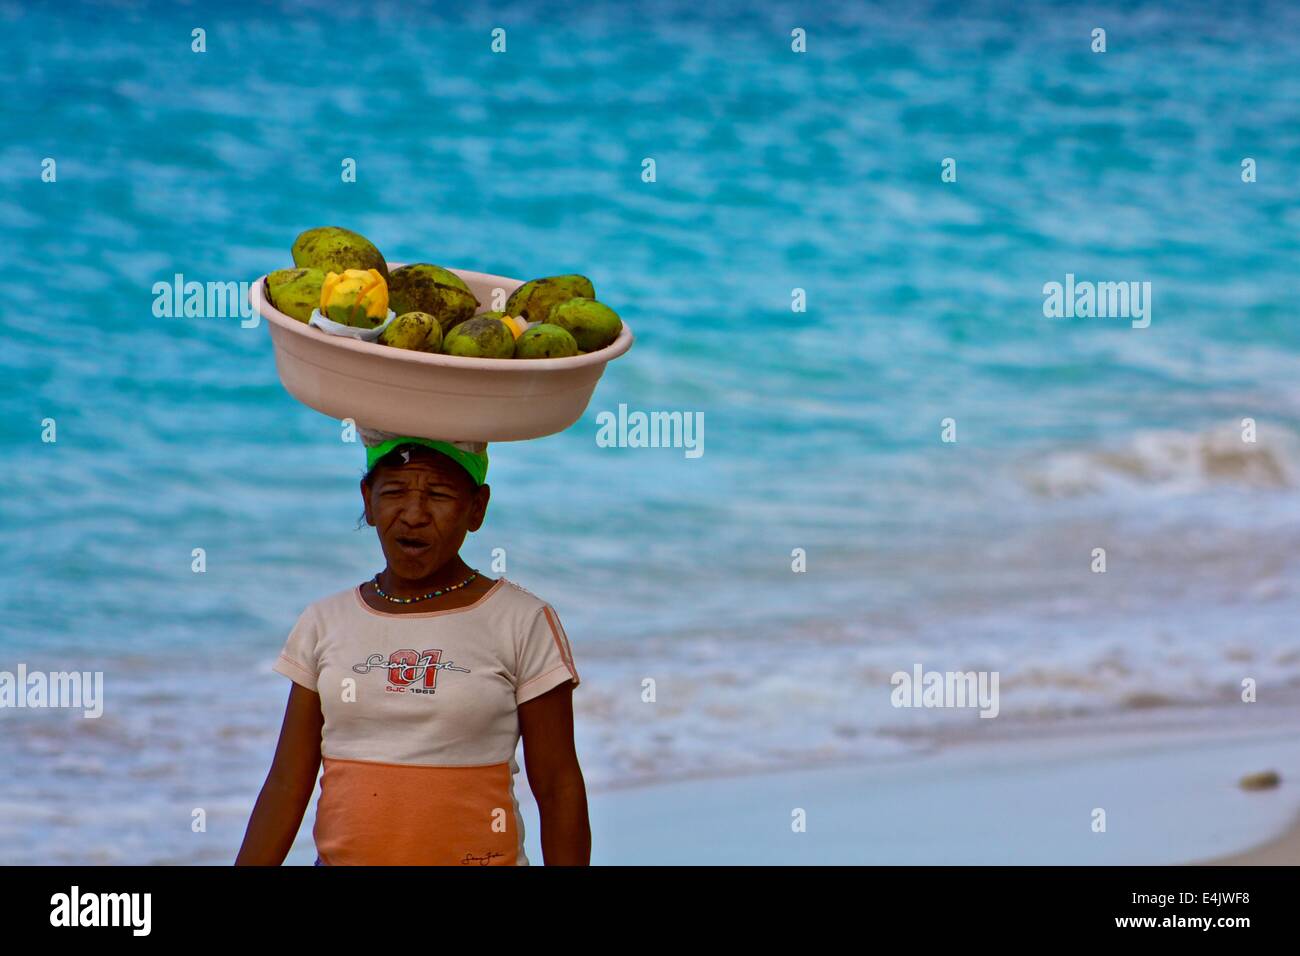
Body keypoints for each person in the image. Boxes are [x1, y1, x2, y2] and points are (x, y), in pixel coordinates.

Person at [236, 437, 589, 865]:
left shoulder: (521, 620)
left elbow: (558, 786)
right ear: (368, 500)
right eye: (395, 492)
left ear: (477, 508)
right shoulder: (325, 621)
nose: (414, 515)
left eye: (438, 495)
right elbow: (287, 784)